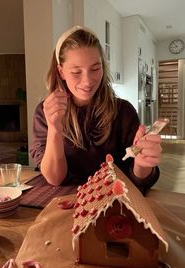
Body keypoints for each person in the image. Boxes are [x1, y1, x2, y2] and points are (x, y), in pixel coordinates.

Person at [30, 25, 161, 194]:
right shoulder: (45, 112)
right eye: (76, 72)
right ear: (61, 72)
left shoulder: (123, 111)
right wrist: (55, 128)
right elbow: (55, 178)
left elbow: (138, 178)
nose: (88, 81)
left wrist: (142, 164)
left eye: (95, 69)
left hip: (114, 200)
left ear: (103, 67)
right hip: (65, 201)